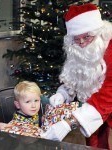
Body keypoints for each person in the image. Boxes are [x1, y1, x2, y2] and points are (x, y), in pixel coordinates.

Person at [41, 3, 112, 149]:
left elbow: (107, 95)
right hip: (95, 118)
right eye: (76, 39)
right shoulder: (78, 49)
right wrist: (63, 93)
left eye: (87, 37)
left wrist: (69, 123)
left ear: (98, 32)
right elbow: (78, 75)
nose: (82, 43)